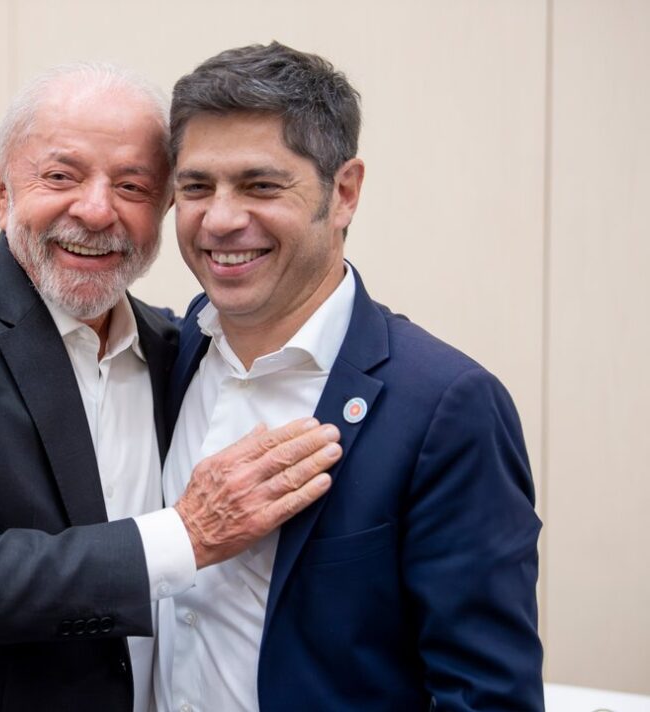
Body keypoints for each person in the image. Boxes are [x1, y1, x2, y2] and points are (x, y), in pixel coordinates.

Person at [0, 63, 343, 712]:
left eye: (132, 186)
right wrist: (189, 534)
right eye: (61, 177)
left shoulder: (176, 349)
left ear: (165, 207)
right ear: (1, 190)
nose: (96, 211)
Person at [154, 43, 544, 712]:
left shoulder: (445, 406)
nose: (219, 219)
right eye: (196, 188)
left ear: (344, 193)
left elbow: (487, 696)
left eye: (260, 185)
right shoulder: (165, 353)